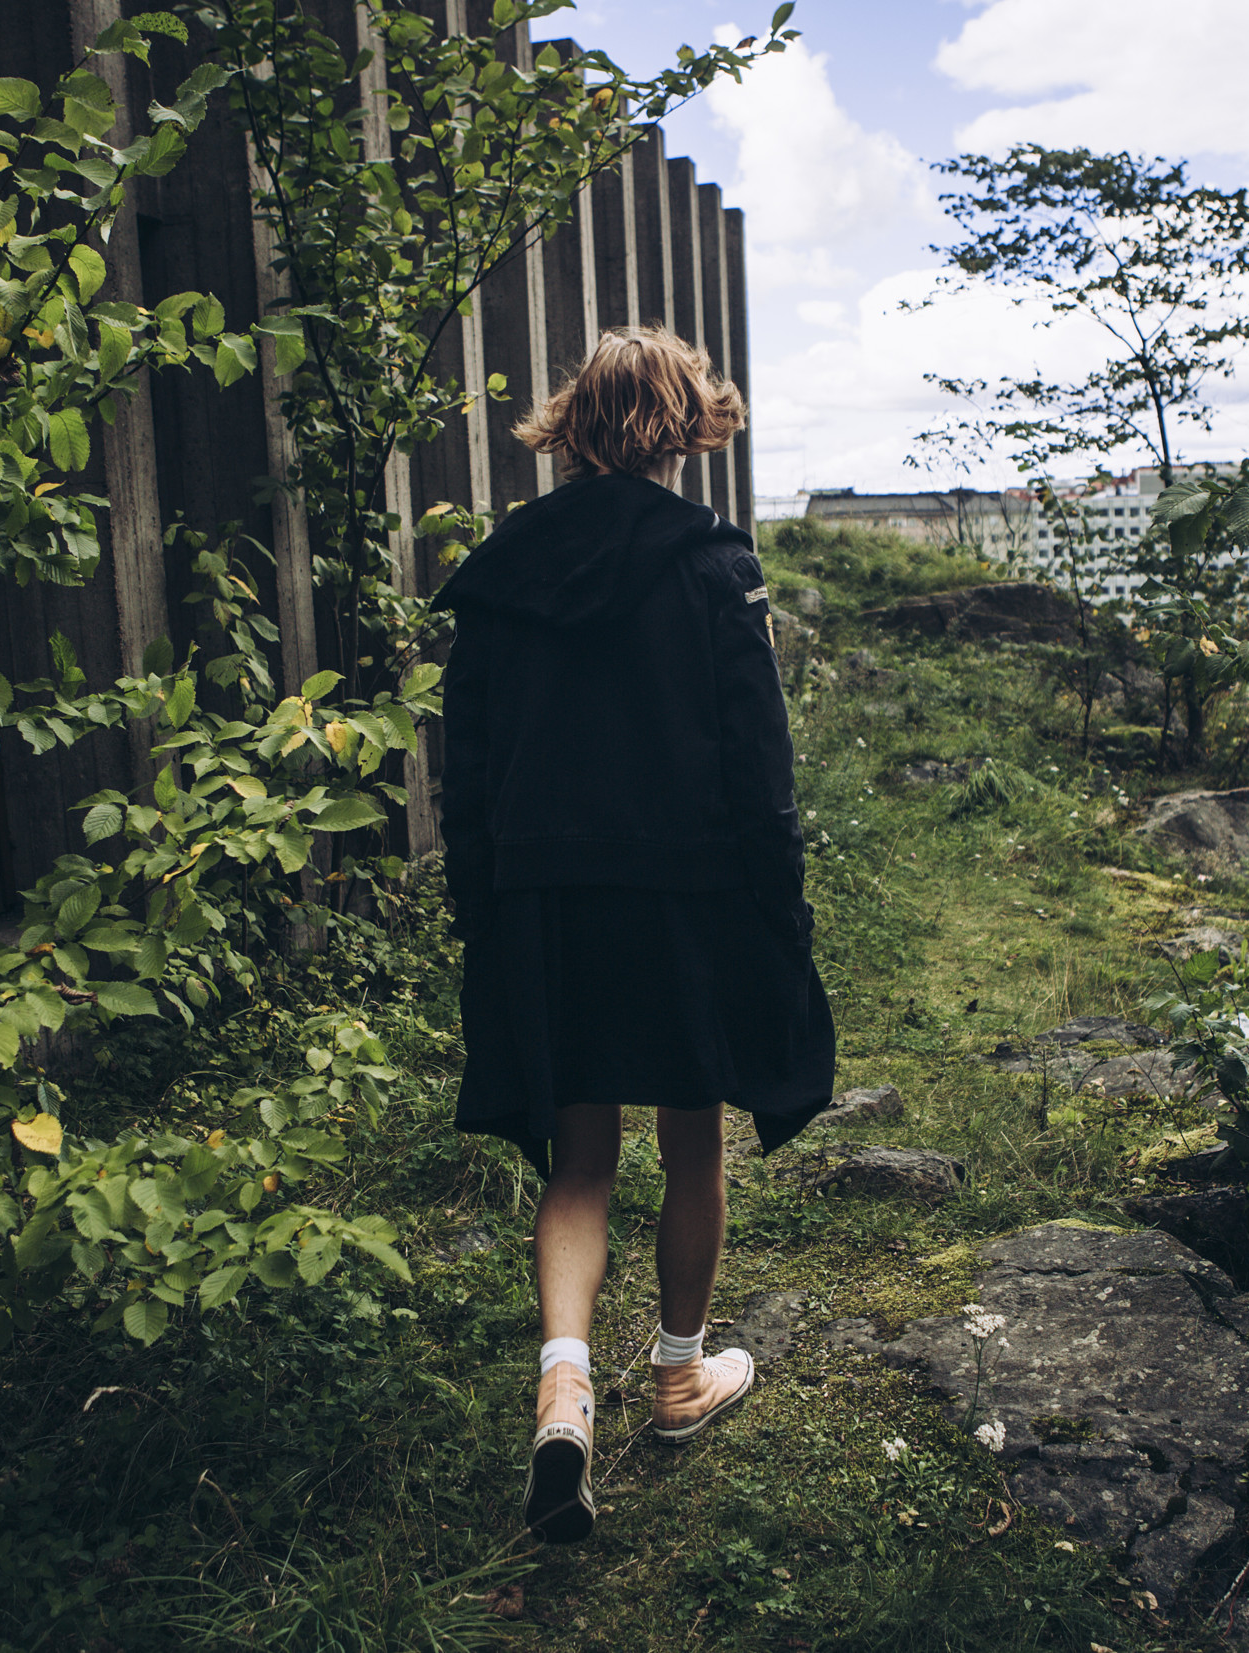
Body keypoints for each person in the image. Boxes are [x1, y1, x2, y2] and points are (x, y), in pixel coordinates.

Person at [430, 325, 835, 1544]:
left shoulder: (501, 574)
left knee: (577, 1160)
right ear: (685, 427)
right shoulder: (715, 567)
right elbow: (757, 768)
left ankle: (564, 1386)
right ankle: (674, 1375)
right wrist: (779, 908)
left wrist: (481, 910)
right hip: (687, 896)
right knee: (691, 1139)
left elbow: (470, 771)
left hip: (543, 898)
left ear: (571, 426)